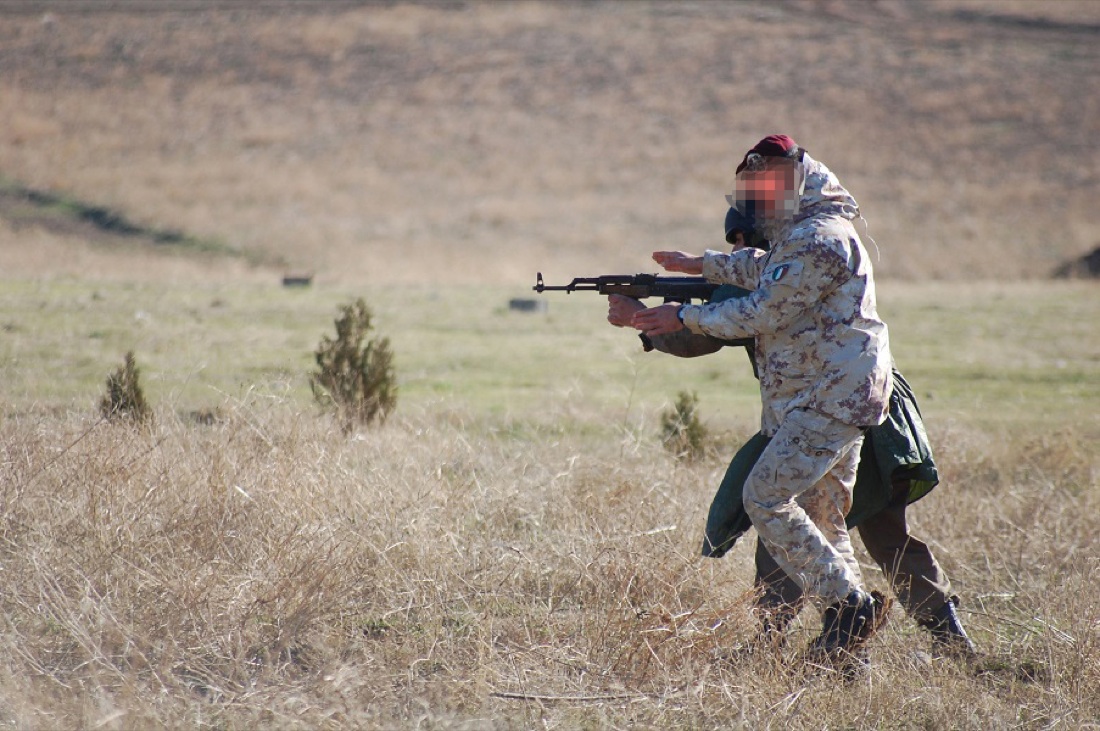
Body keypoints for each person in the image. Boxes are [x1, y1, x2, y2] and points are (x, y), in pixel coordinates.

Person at [608, 206, 977, 661]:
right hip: (866, 406)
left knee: (797, 518)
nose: (740, 251)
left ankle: (787, 640)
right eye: (736, 243)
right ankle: (868, 647)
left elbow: (701, 338)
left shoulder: (780, 279)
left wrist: (641, 320)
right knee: (838, 525)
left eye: (745, 240)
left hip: (845, 411)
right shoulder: (792, 265)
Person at [630, 134, 895, 671]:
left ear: (793, 177)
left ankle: (849, 608)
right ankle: (850, 655)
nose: (756, 199)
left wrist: (681, 317)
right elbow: (767, 268)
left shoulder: (820, 237)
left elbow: (760, 311)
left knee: (765, 497)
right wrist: (698, 265)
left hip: (832, 396)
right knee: (823, 516)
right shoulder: (803, 233)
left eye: (764, 185)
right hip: (828, 394)